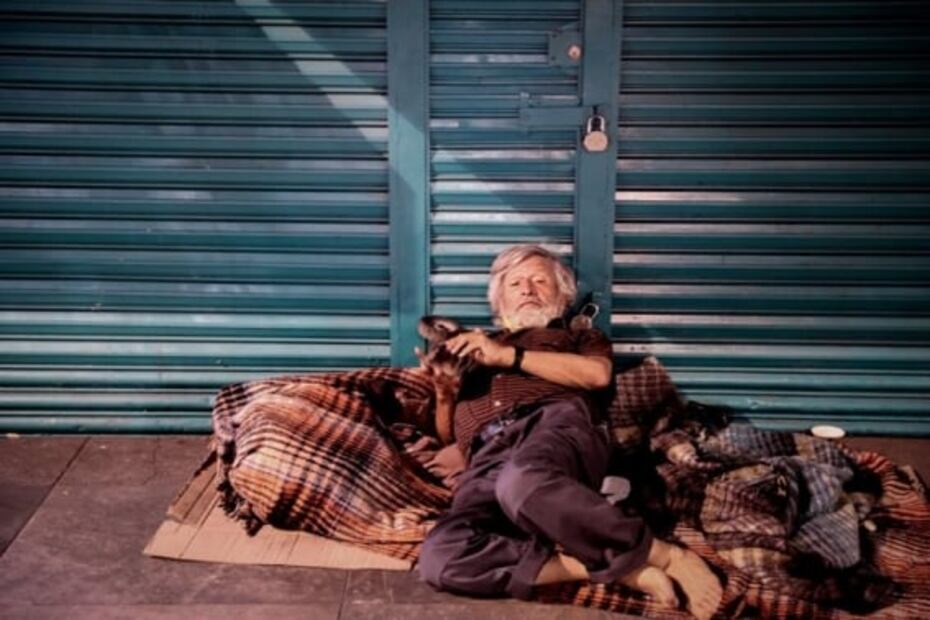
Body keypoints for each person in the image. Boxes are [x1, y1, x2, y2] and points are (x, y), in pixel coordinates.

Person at [413, 244, 723, 620]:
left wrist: (507, 356)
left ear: (562, 295)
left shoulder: (578, 339)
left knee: (523, 483)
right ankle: (624, 569)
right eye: (516, 283)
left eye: (539, 280)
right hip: (486, 451)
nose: (527, 289)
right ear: (500, 299)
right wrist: (444, 394)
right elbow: (449, 440)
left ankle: (665, 554)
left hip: (553, 424)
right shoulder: (470, 353)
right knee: (440, 557)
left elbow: (597, 376)